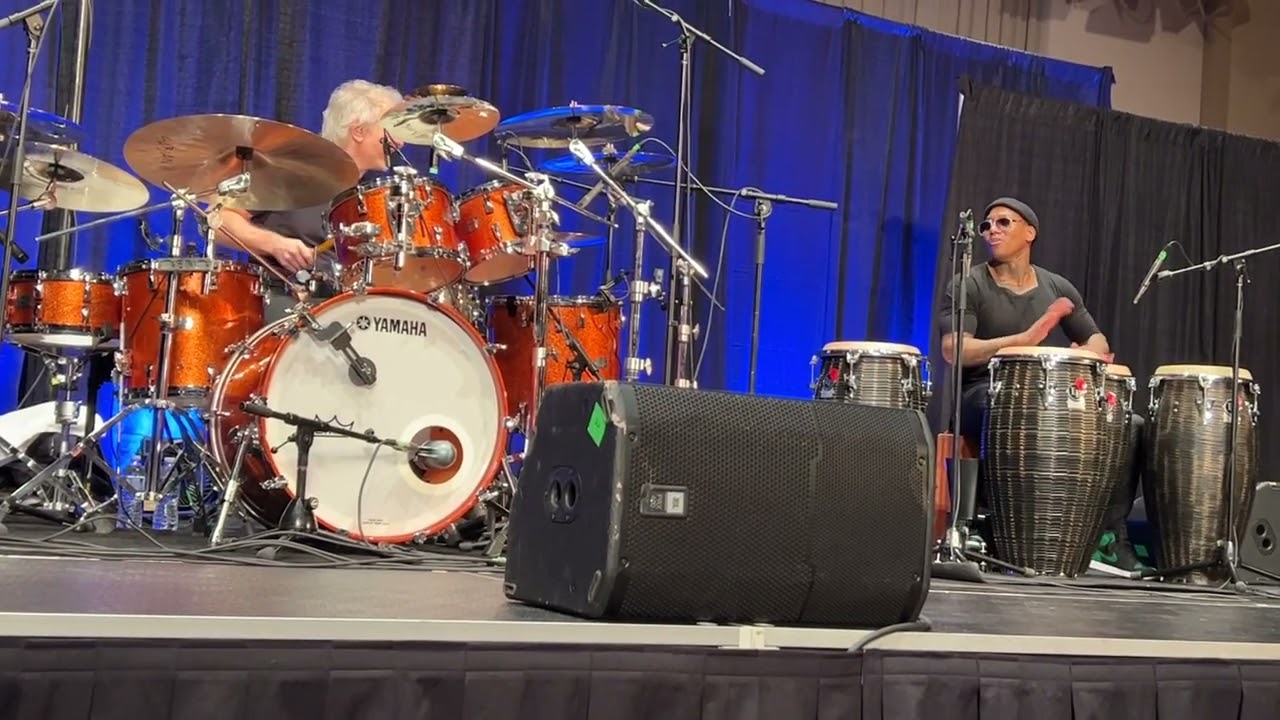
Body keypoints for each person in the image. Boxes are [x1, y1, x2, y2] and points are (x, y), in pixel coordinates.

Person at [937, 197, 1143, 571]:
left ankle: (1108, 535)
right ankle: (1000, 530)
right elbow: (954, 348)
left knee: (1128, 424)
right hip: (984, 393)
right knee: (1013, 413)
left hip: (1047, 395)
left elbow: (1098, 341)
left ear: (1029, 233)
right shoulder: (968, 282)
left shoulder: (1056, 286)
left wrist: (1085, 354)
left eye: (1003, 222)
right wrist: (1025, 339)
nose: (991, 230)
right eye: (986, 226)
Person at [213, 79, 405, 322]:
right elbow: (219, 219)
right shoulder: (289, 168)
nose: (400, 142)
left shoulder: (368, 198)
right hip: (281, 303)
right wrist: (275, 244)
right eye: (391, 129)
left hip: (343, 308)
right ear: (358, 131)